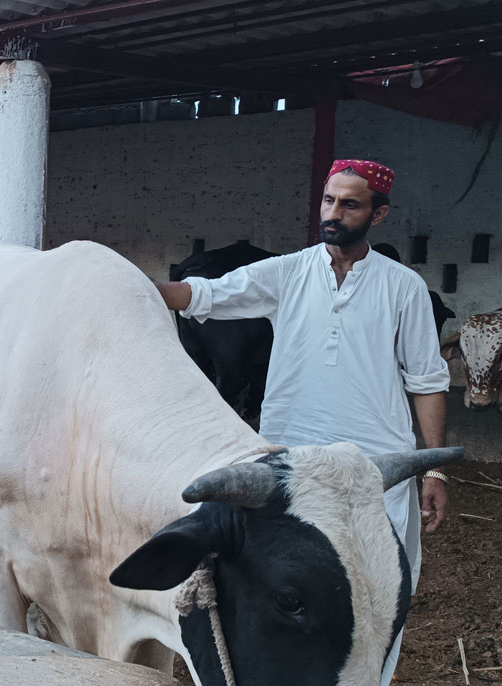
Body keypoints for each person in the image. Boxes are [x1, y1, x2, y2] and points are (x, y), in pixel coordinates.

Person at [154, 159, 450, 685]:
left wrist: (433, 470)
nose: (333, 213)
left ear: (378, 215)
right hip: (292, 468)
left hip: (374, 471)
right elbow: (206, 294)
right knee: (285, 590)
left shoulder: (404, 288)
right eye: (329, 201)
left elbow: (426, 380)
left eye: (350, 204)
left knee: (378, 592)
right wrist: (123, 285)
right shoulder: (289, 271)